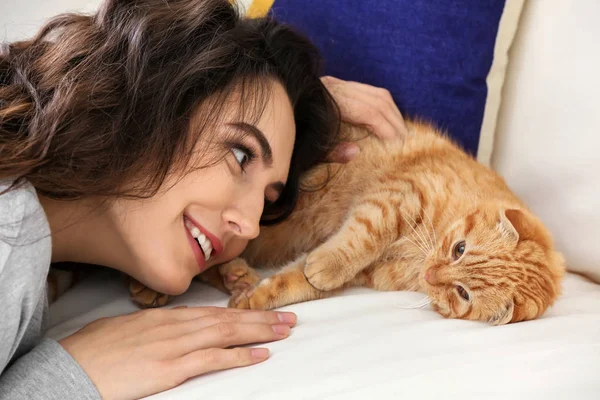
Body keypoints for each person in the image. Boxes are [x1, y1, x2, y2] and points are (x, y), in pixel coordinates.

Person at [0, 0, 406, 399]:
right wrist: (72, 375)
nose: (248, 225)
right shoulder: (12, 230)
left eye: (267, 201)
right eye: (241, 154)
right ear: (157, 94)